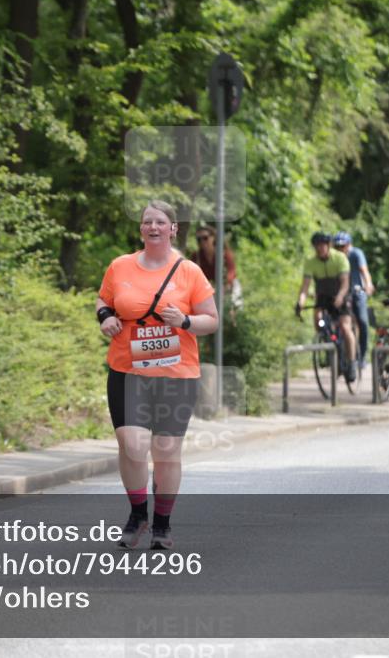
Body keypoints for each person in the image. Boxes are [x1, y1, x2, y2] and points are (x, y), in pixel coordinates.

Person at [97, 200, 219, 550]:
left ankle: (163, 523)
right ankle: (138, 513)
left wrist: (184, 321)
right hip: (127, 368)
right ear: (141, 228)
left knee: (166, 449)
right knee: (132, 444)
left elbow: (211, 319)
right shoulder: (120, 266)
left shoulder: (189, 272)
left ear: (173, 228)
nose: (153, 227)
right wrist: (105, 317)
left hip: (176, 373)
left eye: (160, 222)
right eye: (147, 222)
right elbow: (103, 300)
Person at [296, 231, 357, 381]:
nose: (319, 249)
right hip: (323, 296)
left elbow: (345, 283)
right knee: (318, 320)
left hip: (341, 294)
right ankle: (329, 348)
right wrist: (300, 303)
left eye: (322, 246)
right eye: (317, 246)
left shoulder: (340, 258)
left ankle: (351, 363)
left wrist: (340, 297)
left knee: (345, 327)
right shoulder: (311, 262)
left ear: (328, 245)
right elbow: (305, 288)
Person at [333, 231, 375, 367]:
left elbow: (364, 271)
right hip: (342, 292)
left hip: (357, 292)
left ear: (348, 245)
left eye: (342, 246)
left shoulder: (356, 254)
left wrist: (368, 284)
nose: (340, 249)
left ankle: (362, 357)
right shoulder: (335, 258)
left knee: (362, 321)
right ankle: (336, 355)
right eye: (337, 247)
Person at [190, 224, 243, 314]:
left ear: (213, 238)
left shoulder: (224, 254)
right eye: (199, 240)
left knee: (234, 309)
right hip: (208, 289)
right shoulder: (196, 257)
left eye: (205, 238)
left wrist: (225, 285)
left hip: (228, 286)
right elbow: (192, 277)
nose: (202, 242)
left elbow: (231, 272)